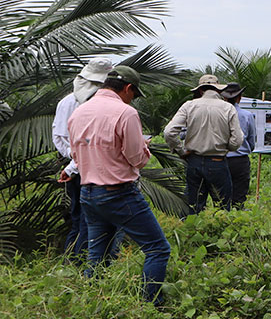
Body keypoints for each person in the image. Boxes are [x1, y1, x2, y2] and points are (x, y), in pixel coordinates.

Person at [68, 67, 171, 305]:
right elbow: (137, 158)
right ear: (128, 89)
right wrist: (145, 148)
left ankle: (92, 302)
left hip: (88, 192)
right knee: (157, 249)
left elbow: (76, 154)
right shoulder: (126, 113)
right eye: (134, 94)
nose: (132, 99)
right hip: (118, 194)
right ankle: (151, 305)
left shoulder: (79, 112)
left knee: (97, 254)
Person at [52, 58, 114, 259]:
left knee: (90, 219)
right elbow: (61, 138)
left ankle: (82, 263)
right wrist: (75, 162)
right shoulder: (69, 102)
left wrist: (75, 162)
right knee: (83, 217)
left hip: (89, 168)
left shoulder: (104, 104)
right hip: (82, 171)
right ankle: (78, 262)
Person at [164, 74, 244, 213]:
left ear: (201, 90)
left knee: (194, 205)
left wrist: (181, 151)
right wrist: (227, 147)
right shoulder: (228, 108)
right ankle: (220, 232)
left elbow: (169, 132)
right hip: (217, 161)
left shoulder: (189, 106)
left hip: (194, 161)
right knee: (222, 206)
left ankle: (192, 231)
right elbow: (237, 140)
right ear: (218, 90)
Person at [222, 83, 257, 209]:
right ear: (239, 97)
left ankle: (222, 218)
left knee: (222, 195)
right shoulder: (247, 115)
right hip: (240, 160)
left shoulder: (218, 113)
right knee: (239, 194)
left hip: (221, 159)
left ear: (224, 98)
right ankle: (238, 215)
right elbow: (252, 141)